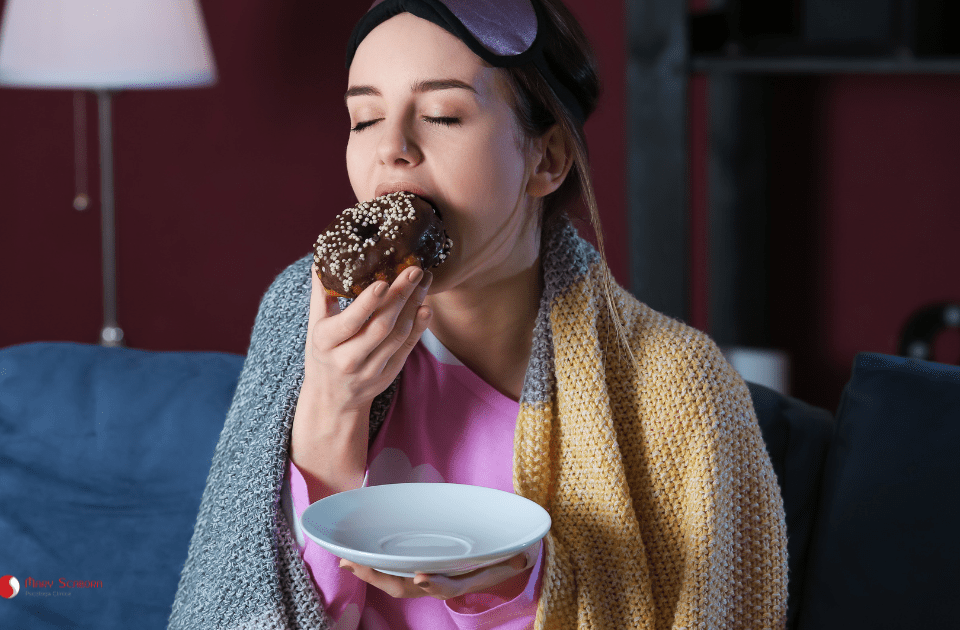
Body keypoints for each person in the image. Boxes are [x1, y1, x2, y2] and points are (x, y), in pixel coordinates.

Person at [169, 1, 789, 628]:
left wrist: (526, 582)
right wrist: (332, 407)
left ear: (546, 159)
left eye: (442, 114)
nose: (391, 149)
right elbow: (232, 598)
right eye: (364, 119)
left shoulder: (678, 386)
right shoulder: (299, 314)